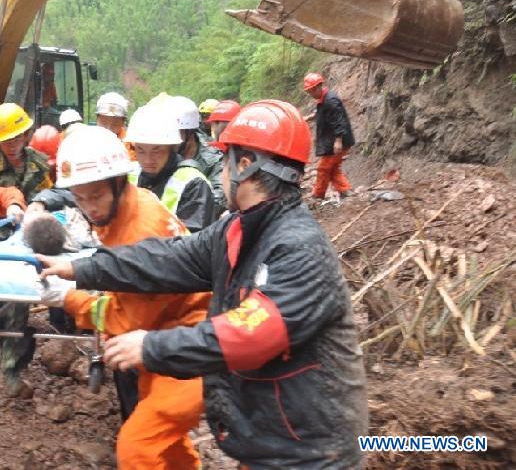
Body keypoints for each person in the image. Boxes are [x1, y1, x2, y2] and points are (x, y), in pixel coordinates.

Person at [42, 100, 369, 469]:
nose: (220, 172)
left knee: (140, 445)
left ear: (245, 166)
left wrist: (152, 346)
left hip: (312, 451)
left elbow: (247, 334)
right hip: (273, 435)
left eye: (224, 158)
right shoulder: (240, 229)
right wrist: (78, 268)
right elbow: (166, 257)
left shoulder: (298, 247)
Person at [36, 125, 210, 468]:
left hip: (190, 343)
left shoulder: (138, 229)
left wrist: (68, 299)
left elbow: (124, 318)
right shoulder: (134, 203)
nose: (89, 208)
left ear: (118, 182)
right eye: (80, 198)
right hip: (166, 338)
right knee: (167, 444)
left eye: (96, 196)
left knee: (136, 446)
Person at [125, 104, 217, 232]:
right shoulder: (128, 175)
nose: (147, 160)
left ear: (173, 147)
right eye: (140, 151)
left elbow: (193, 243)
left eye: (156, 151)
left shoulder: (193, 184)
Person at [0, 103, 52, 201]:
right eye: (6, 140)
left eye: (17, 138)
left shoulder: (39, 163)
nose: (12, 146)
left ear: (25, 135)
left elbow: (50, 195)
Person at [304, 72, 355, 199]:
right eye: (309, 91)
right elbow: (322, 112)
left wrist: (338, 141)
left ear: (318, 87)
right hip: (331, 140)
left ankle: (318, 194)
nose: (310, 94)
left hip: (337, 141)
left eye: (311, 91)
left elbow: (339, 121)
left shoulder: (330, 101)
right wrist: (310, 117)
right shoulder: (323, 99)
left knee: (323, 168)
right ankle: (345, 191)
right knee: (333, 168)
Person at [171, 95, 226, 211]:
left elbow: (218, 197)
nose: (171, 139)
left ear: (190, 132)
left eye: (175, 133)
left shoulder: (213, 158)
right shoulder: (164, 151)